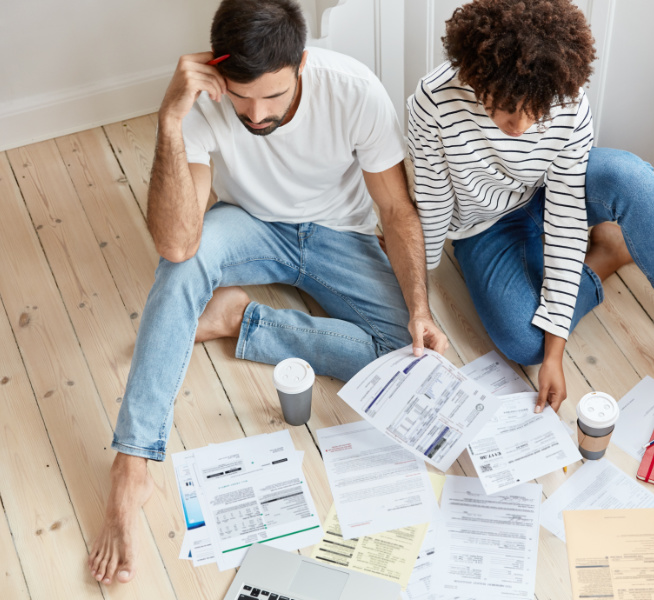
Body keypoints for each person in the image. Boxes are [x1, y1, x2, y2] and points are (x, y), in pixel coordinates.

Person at [89, 0, 447, 585]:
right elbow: (177, 242)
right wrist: (169, 121)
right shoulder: (205, 100)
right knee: (180, 271)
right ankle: (131, 466)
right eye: (242, 96)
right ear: (218, 73)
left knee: (405, 356)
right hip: (249, 225)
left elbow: (395, 209)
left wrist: (419, 309)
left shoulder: (354, 89)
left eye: (273, 97)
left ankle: (244, 321)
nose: (256, 115)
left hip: (340, 233)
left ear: (301, 64)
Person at [407, 0, 654, 415]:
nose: (518, 126)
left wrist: (557, 354)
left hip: (554, 194)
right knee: (525, 343)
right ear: (474, 76)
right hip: (484, 225)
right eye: (503, 108)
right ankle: (608, 254)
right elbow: (431, 200)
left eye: (532, 113)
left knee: (633, 179)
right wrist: (418, 293)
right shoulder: (433, 101)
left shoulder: (566, 99)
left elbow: (565, 220)